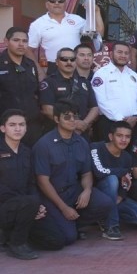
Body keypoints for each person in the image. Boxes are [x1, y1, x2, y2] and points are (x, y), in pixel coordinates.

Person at [31, 101, 114, 249]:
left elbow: (86, 173)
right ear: (56, 119)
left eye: (74, 116)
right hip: (53, 196)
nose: (72, 120)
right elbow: (43, 181)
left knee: (105, 203)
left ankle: (72, 223)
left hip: (73, 192)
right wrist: (63, 208)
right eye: (67, 117)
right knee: (68, 238)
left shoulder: (81, 142)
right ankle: (65, 224)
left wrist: (87, 191)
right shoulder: (44, 144)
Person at [89, 121, 137, 239]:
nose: (124, 140)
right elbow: (99, 171)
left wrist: (120, 197)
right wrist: (122, 172)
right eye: (119, 136)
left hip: (114, 199)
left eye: (127, 136)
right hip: (95, 197)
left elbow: (126, 184)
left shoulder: (127, 157)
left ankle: (104, 217)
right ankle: (111, 227)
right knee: (112, 180)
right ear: (111, 136)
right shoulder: (96, 148)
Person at [0, 109, 45, 260]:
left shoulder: (27, 152)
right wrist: (30, 202)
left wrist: (37, 205)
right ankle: (17, 243)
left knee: (55, 240)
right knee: (29, 201)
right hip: (4, 206)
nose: (17, 128)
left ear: (26, 128)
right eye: (12, 125)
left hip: (23, 206)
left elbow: (31, 183)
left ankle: (8, 235)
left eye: (21, 125)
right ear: (3, 128)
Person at [26, 0, 103, 76]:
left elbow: (99, 33)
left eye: (60, 1)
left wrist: (97, 12)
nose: (57, 3)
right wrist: (39, 71)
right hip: (55, 67)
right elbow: (28, 50)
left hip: (76, 66)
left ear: (65, 3)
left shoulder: (77, 19)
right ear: (47, 4)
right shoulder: (37, 24)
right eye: (52, 1)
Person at [40, 47, 99, 140]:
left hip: (81, 134)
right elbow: (47, 110)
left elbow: (94, 108)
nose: (69, 62)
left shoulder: (84, 82)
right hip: (58, 134)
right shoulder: (49, 82)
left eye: (72, 59)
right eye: (64, 59)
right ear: (57, 62)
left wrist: (84, 124)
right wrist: (73, 124)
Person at [91, 41, 137, 140]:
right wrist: (120, 119)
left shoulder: (134, 75)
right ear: (111, 54)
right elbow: (101, 101)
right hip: (110, 124)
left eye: (126, 53)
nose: (123, 55)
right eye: (119, 52)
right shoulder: (101, 74)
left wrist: (136, 116)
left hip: (133, 125)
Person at [0, 28, 42, 145]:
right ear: (6, 42)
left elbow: (36, 93)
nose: (21, 44)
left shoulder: (30, 65)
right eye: (16, 40)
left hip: (32, 125)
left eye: (24, 41)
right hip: (7, 126)